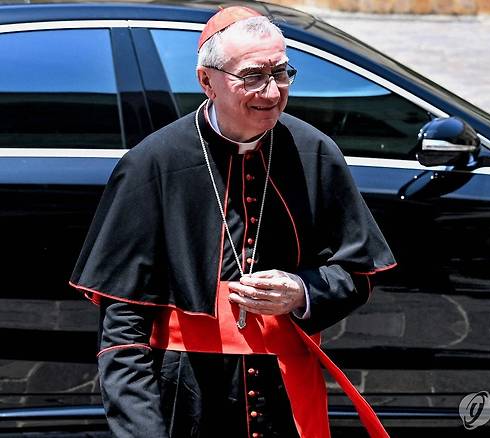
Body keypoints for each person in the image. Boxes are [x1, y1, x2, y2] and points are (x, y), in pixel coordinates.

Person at [69, 6, 396, 438]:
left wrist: (302, 291)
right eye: (253, 75)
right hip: (187, 397)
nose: (271, 91)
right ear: (207, 81)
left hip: (285, 394)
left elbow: (358, 271)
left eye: (281, 73)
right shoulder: (154, 163)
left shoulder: (313, 151)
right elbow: (123, 325)